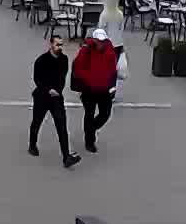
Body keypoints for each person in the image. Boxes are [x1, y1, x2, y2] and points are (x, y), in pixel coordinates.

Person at [70, 28, 121, 155]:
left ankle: (90, 129)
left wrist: (112, 86)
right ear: (93, 40)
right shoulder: (86, 51)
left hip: (103, 89)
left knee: (105, 113)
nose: (100, 43)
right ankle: (89, 141)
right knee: (89, 113)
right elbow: (78, 67)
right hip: (89, 89)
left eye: (102, 41)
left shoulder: (110, 52)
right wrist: (87, 80)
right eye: (98, 41)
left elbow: (113, 71)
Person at [29, 35, 77, 168]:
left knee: (62, 127)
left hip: (56, 98)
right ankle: (32, 145)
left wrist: (58, 90)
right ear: (51, 45)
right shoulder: (41, 61)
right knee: (37, 122)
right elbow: (37, 79)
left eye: (61, 45)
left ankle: (66, 156)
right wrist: (48, 89)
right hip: (42, 97)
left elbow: (62, 77)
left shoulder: (64, 59)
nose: (59, 47)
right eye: (57, 44)